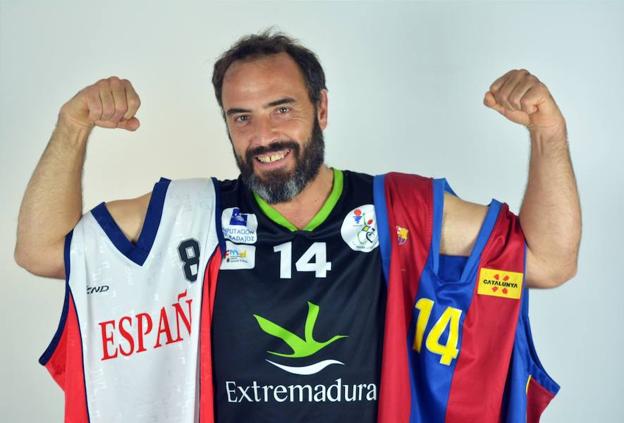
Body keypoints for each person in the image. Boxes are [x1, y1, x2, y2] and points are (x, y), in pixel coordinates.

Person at [15, 31, 580, 423]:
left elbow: (549, 262)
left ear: (322, 109)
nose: (263, 136)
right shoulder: (191, 217)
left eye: (282, 109)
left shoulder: (398, 210)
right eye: (242, 117)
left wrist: (548, 134)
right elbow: (41, 250)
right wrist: (72, 127)